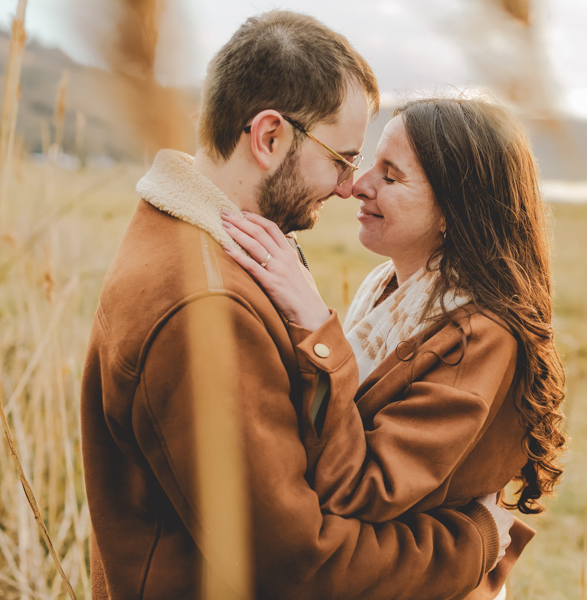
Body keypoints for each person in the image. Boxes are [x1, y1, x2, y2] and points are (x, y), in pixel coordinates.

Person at [80, 12, 514, 600]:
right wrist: (478, 541)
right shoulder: (204, 310)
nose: (347, 186)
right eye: (341, 158)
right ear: (269, 137)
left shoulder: (204, 250)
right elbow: (302, 566)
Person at [222, 97, 568, 598]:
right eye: (370, 166)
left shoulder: (479, 336)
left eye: (391, 175)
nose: (356, 185)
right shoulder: (387, 287)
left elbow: (362, 488)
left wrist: (314, 323)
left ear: (455, 210)